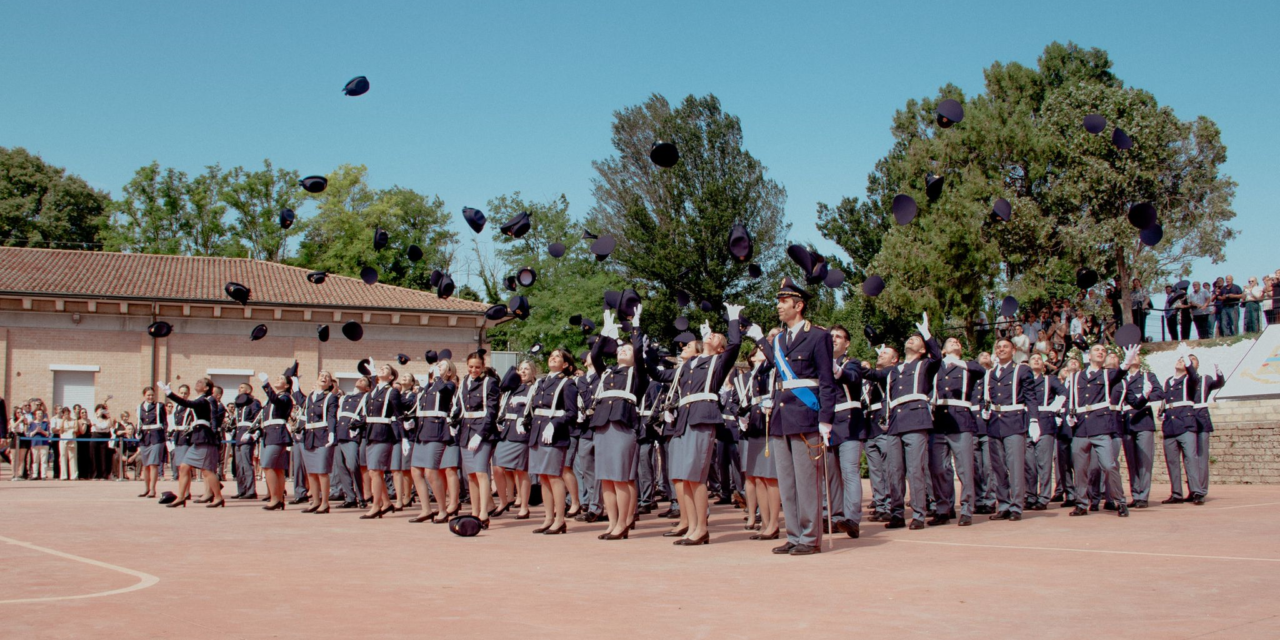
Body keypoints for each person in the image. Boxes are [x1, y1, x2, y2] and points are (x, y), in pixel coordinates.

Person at [647, 304, 744, 547]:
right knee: (683, 475)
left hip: (702, 417)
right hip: (683, 420)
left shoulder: (718, 362)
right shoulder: (688, 366)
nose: (710, 335)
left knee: (696, 476)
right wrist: (645, 350)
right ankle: (691, 525)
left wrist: (733, 319)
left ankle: (701, 528)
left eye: (715, 336)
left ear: (720, 348)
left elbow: (735, 346)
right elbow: (658, 375)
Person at [861, 312, 941, 531]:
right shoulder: (893, 370)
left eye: (916, 340)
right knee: (894, 470)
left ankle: (918, 514)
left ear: (923, 349)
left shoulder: (925, 365)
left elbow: (938, 358)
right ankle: (897, 513)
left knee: (915, 470)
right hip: (896, 421)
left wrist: (927, 334)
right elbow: (871, 375)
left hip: (916, 419)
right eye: (910, 338)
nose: (910, 340)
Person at [586, 309, 648, 540]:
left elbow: (640, 351)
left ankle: (623, 523)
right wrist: (604, 334)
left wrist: (636, 327)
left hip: (623, 424)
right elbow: (595, 355)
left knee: (621, 477)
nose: (623, 350)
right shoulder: (608, 373)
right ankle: (612, 523)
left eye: (627, 349)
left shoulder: (638, 373)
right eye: (620, 348)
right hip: (602, 424)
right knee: (606, 478)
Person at [1064, 344, 1138, 518]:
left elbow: (1120, 373)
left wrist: (1127, 362)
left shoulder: (1107, 374)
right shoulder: (1076, 377)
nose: (1100, 352)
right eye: (1097, 350)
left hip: (1101, 426)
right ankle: (1081, 503)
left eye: (1103, 351)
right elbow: (1071, 399)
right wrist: (1069, 414)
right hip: (1081, 426)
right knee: (1080, 468)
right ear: (1088, 356)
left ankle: (1120, 500)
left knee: (1109, 465)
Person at [928, 337, 986, 526]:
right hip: (938, 421)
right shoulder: (935, 366)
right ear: (942, 351)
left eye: (958, 342)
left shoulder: (967, 366)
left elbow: (981, 371)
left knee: (964, 467)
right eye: (951, 342)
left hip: (961, 420)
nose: (956, 343)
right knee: (938, 469)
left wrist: (959, 363)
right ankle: (943, 508)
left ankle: (968, 508)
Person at [981, 337, 1041, 521]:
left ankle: (1016, 506)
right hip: (994, 423)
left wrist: (1034, 420)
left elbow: (1030, 397)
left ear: (1013, 351)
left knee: (1015, 466)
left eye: (1005, 347)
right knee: (997, 467)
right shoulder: (990, 373)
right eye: (998, 347)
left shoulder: (1021, 370)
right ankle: (1004, 504)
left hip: (1014, 421)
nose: (1001, 350)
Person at [525, 348, 580, 535]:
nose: (553, 358)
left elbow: (572, 413)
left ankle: (560, 519)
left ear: (565, 364)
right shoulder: (541, 381)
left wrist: (555, 423)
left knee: (555, 476)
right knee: (543, 477)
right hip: (538, 432)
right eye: (552, 356)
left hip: (554, 434)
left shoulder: (567, 383)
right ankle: (548, 518)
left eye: (558, 357)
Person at [825, 325, 871, 536]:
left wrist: (834, 367)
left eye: (838, 337)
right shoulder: (820, 365)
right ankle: (834, 517)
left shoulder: (851, 363)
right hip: (828, 424)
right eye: (831, 336)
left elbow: (851, 377)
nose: (834, 339)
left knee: (849, 472)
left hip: (850, 423)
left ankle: (852, 518)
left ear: (847, 343)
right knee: (831, 475)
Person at [159, 377, 224, 508]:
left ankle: (218, 497)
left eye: (201, 382)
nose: (197, 382)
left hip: (205, 438)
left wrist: (169, 393)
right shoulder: (202, 400)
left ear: (206, 388)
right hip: (198, 437)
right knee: (184, 467)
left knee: (206, 471)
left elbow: (188, 404)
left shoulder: (206, 400)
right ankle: (181, 497)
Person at [409, 358, 460, 523]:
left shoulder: (449, 384)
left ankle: (443, 509)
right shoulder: (427, 388)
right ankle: (425, 509)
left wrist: (437, 378)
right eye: (437, 365)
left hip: (437, 431)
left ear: (449, 371)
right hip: (422, 431)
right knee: (416, 470)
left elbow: (444, 392)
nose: (438, 367)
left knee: (431, 471)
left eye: (442, 366)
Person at [454, 351, 501, 527]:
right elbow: (460, 406)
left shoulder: (490, 382)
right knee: (471, 475)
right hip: (466, 430)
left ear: (483, 367)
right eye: (471, 366)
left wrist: (480, 434)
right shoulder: (464, 382)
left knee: (481, 472)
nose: (474, 370)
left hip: (482, 430)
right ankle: (474, 511)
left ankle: (483, 512)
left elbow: (491, 411)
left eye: (477, 367)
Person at [740, 345, 782, 540]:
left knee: (770, 477)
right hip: (756, 424)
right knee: (757, 476)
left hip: (771, 423)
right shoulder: (753, 375)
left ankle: (774, 523)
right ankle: (765, 522)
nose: (758, 352)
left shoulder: (773, 369)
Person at [361, 362, 411, 519]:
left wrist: (404, 438)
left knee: (375, 471)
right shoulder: (372, 392)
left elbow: (399, 414)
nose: (381, 369)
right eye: (380, 368)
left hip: (384, 433)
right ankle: (386, 502)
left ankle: (376, 506)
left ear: (391, 377)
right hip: (371, 433)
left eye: (386, 369)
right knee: (374, 471)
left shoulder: (392, 392)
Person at [493, 361, 537, 520]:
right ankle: (505, 500)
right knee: (497, 468)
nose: (523, 372)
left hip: (521, 433)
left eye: (527, 369)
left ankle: (524, 507)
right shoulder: (511, 389)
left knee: (521, 470)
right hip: (506, 431)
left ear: (533, 372)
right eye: (521, 369)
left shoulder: (534, 389)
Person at [292, 371, 339, 514]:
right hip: (309, 436)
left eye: (327, 377)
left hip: (323, 435)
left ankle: (325, 503)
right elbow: (298, 397)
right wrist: (294, 381)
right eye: (321, 375)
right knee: (311, 472)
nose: (323, 377)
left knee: (322, 471)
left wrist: (331, 433)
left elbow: (331, 416)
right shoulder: (311, 397)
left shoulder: (330, 397)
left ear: (330, 384)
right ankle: (316, 501)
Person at [1159, 347, 1201, 504]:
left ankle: (1196, 491)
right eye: (1180, 359)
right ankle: (1176, 493)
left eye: (1183, 361)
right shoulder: (1168, 381)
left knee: (1191, 458)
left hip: (1185, 423)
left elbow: (1194, 376)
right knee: (1172, 461)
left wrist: (1187, 358)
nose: (1180, 361)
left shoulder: (1190, 379)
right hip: (1170, 424)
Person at [1120, 357, 1162, 509]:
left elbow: (1159, 393)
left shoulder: (1147, 376)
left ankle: (1143, 495)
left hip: (1143, 419)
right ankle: (1135, 493)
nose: (1135, 357)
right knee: (1131, 461)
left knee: (1144, 461)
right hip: (1126, 420)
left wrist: (1145, 396)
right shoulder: (1122, 377)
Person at [1025, 354, 1065, 511]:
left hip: (1045, 422)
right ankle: (1030, 495)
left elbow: (1064, 393)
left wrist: (1053, 408)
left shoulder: (1050, 380)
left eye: (1039, 359)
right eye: (1033, 358)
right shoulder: (1024, 380)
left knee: (1044, 463)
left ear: (1043, 365)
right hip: (1027, 421)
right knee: (1029, 464)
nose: (1036, 360)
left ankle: (1044, 497)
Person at [256, 369, 296, 511]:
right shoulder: (274, 398)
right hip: (270, 433)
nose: (277, 380)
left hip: (277, 433)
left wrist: (266, 384)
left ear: (286, 386)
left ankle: (274, 498)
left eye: (281, 379)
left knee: (267, 466)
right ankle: (278, 498)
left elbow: (276, 401)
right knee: (277, 468)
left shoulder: (285, 397)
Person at [1188, 354, 1224, 505]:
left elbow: (1218, 383)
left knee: (1202, 456)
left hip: (1201, 418)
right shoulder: (1182, 380)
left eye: (1193, 359)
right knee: (1190, 457)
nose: (1190, 361)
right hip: (1186, 419)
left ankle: (1201, 491)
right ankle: (1193, 489)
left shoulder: (1205, 379)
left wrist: (1219, 372)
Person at [572, 352, 602, 523]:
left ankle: (598, 507)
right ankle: (593, 504)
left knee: (602, 468)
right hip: (584, 427)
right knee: (586, 467)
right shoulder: (579, 381)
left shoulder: (604, 376)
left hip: (600, 424)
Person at [331, 378, 366, 508]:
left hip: (352, 435)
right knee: (341, 468)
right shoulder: (346, 398)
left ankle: (361, 497)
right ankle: (350, 497)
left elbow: (366, 415)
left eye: (364, 381)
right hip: (340, 434)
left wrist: (357, 425)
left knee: (353, 465)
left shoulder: (365, 397)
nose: (360, 381)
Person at [229, 384, 260, 500]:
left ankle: (251, 490)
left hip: (247, 433)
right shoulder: (239, 404)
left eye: (241, 387)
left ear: (248, 390)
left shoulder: (253, 402)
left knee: (247, 464)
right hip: (238, 434)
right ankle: (242, 489)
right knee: (238, 465)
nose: (239, 389)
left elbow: (257, 417)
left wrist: (252, 433)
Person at [136, 387, 168, 497]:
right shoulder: (139, 407)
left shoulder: (159, 406)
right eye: (148, 395)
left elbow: (164, 422)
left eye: (152, 395)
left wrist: (164, 435)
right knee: (145, 465)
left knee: (153, 464)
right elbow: (139, 423)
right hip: (145, 438)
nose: (150, 397)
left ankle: (153, 490)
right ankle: (146, 488)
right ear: (144, 395)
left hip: (156, 436)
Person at [28, 410, 50, 479]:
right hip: (35, 443)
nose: (40, 415)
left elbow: (48, 434)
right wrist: (36, 430)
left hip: (44, 443)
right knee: (35, 460)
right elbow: (30, 434)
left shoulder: (45, 423)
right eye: (38, 414)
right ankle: (35, 474)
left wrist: (42, 431)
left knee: (44, 460)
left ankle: (43, 475)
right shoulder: (32, 424)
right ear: (35, 415)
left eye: (41, 413)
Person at [57, 407, 78, 481]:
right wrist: (63, 420)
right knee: (63, 457)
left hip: (72, 439)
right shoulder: (61, 421)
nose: (67, 415)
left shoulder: (74, 420)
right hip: (63, 440)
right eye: (65, 414)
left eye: (68, 413)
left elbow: (76, 429)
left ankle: (73, 475)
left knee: (72, 457)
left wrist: (70, 429)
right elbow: (61, 431)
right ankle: (63, 475)